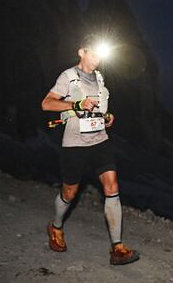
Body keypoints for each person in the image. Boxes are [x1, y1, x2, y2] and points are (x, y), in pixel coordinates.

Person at [41, 34, 140, 265]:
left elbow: (97, 109)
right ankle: (55, 227)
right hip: (75, 144)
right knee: (69, 193)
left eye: (100, 54)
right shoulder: (68, 76)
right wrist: (75, 104)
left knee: (112, 185)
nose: (97, 58)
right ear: (81, 51)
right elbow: (46, 103)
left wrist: (106, 117)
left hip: (100, 141)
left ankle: (117, 248)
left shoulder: (99, 78)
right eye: (93, 53)